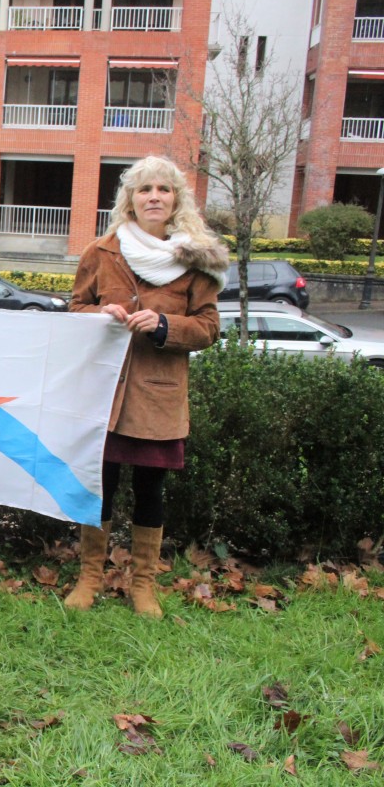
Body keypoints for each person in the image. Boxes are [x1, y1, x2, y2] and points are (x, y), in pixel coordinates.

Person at [65, 155, 228, 617]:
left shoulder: (195, 259)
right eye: (144, 189)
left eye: (164, 189)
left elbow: (209, 328)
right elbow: (75, 309)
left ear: (176, 200)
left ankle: (143, 585)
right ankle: (90, 577)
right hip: (103, 391)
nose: (154, 196)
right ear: (130, 200)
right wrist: (101, 314)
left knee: (150, 491)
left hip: (158, 394)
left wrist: (163, 324)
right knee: (100, 486)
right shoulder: (102, 251)